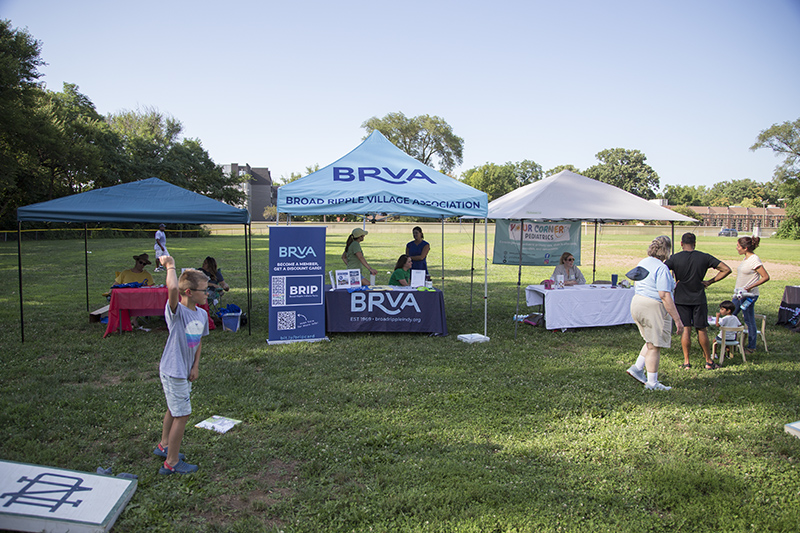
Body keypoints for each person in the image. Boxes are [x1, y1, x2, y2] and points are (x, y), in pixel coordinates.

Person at [154, 255, 209, 475]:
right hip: (173, 370)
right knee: (182, 414)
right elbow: (173, 287)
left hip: (185, 370)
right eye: (204, 291)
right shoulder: (177, 312)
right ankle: (172, 462)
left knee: (173, 407)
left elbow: (198, 341)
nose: (207, 294)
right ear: (189, 292)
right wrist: (170, 265)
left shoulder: (202, 314)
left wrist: (195, 365)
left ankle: (164, 445)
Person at [664, 232, 731, 370]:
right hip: (698, 297)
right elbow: (726, 269)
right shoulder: (704, 257)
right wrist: (710, 281)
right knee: (702, 329)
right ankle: (708, 360)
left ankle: (687, 362)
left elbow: (662, 270)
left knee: (686, 329)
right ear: (695, 243)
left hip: (681, 297)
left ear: (681, 243)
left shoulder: (675, 258)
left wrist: (673, 282)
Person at [626, 236, 684, 391]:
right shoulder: (662, 268)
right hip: (652, 306)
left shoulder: (643, 262)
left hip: (637, 302)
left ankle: (637, 368)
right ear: (667, 250)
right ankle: (652, 383)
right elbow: (664, 295)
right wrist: (677, 320)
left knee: (649, 340)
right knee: (654, 346)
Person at [732, 236, 770, 354]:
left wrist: (749, 287)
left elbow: (765, 277)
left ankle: (751, 347)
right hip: (739, 294)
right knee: (731, 314)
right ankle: (730, 342)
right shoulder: (746, 259)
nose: (736, 248)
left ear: (745, 248)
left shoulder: (754, 259)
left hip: (749, 296)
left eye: (738, 246)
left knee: (749, 320)